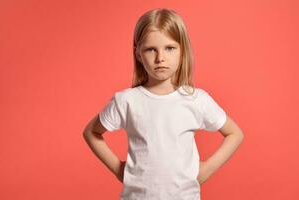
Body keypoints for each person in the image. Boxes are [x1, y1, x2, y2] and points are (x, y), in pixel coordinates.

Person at [83, 8, 244, 200]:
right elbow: (91, 132)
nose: (160, 58)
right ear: (138, 54)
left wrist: (206, 169)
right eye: (151, 49)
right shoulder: (127, 101)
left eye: (169, 48)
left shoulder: (196, 99)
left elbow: (235, 133)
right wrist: (119, 170)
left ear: (182, 51)